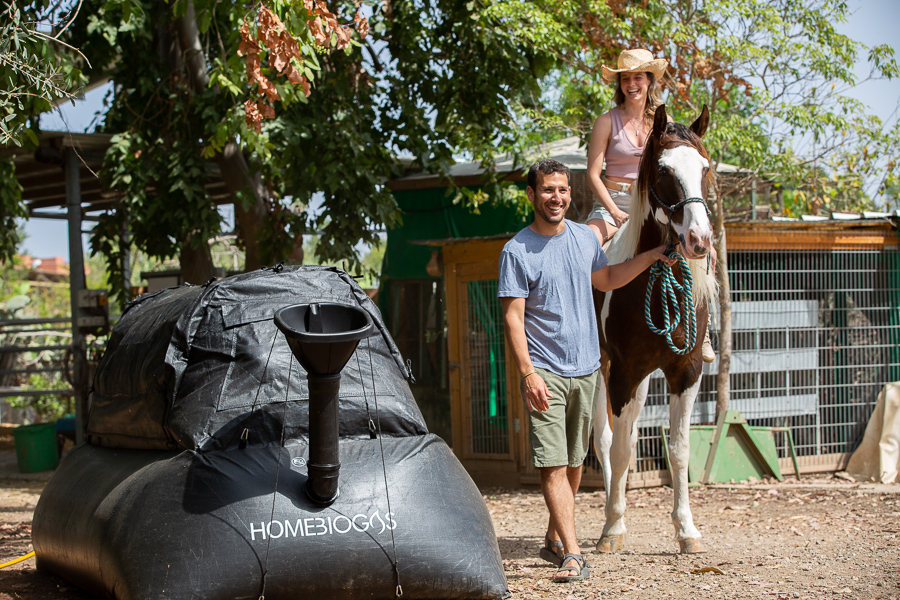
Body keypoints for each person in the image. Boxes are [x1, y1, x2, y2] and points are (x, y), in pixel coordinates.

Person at [498, 159, 675, 583]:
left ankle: (553, 537)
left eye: (562, 190)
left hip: (586, 369)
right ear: (532, 194)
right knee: (552, 464)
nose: (556, 197)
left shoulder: (582, 238)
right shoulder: (516, 251)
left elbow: (608, 278)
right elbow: (513, 318)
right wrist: (527, 373)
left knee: (575, 461)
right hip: (545, 371)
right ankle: (574, 554)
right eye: (547, 190)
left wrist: (650, 256)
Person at [586, 48, 715, 362]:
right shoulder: (606, 121)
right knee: (583, 248)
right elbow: (592, 174)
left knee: (707, 251)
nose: (632, 84)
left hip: (653, 206)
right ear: (620, 84)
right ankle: (583, 329)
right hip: (613, 204)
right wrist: (614, 212)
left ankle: (705, 328)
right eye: (626, 78)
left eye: (638, 77)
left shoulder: (664, 121)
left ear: (649, 81)